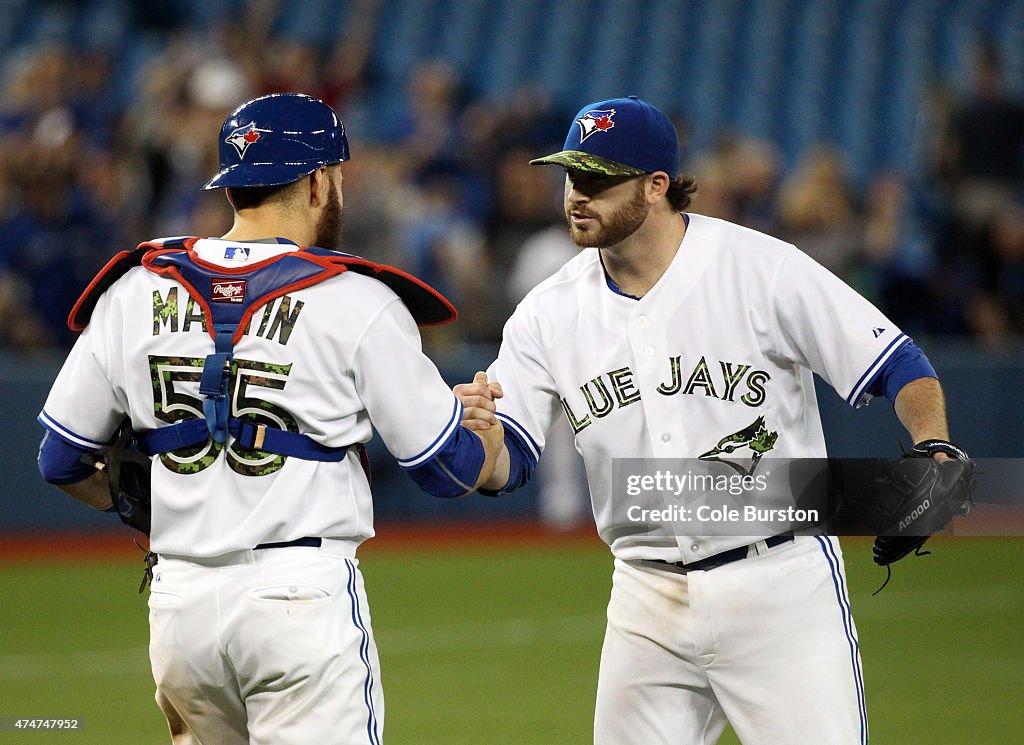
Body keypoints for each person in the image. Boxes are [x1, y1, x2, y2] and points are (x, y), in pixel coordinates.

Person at [455, 96, 963, 744]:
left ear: (656, 185)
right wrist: (486, 444)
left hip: (778, 587)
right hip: (645, 596)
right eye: (570, 175)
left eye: (598, 179)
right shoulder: (546, 312)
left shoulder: (759, 270)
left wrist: (935, 445)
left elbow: (898, 362)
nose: (577, 195)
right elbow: (509, 462)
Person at [37, 93, 503, 745]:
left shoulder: (134, 288)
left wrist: (167, 506)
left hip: (180, 609)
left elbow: (60, 460)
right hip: (299, 602)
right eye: (337, 175)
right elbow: (446, 469)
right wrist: (487, 434)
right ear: (317, 182)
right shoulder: (355, 297)